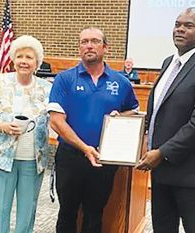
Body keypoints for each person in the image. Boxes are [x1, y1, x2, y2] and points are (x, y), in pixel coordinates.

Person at [136, 7, 195, 233]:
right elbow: (159, 110)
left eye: (188, 25)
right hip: (161, 173)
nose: (180, 29)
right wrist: (143, 132)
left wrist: (162, 152)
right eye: (177, 24)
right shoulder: (169, 62)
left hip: (192, 175)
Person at [48, 26, 139, 233]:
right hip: (70, 157)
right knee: (67, 212)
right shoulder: (64, 79)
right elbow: (56, 122)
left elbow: (134, 111)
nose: (89, 45)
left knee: (95, 212)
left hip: (104, 158)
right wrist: (84, 148)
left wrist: (120, 117)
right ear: (79, 47)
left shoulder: (121, 82)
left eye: (95, 41)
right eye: (84, 41)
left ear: (105, 47)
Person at [0, 35, 52, 233]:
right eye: (19, 56)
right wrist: (2, 125)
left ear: (37, 62)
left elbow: (56, 119)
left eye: (29, 57)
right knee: (0, 210)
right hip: (0, 158)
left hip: (32, 160)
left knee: (27, 212)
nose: (24, 61)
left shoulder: (48, 89)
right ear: (13, 59)